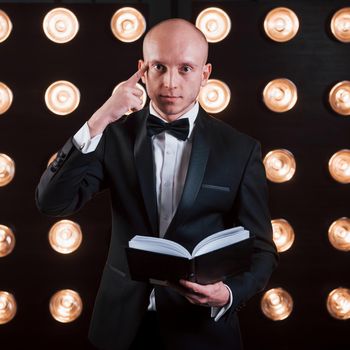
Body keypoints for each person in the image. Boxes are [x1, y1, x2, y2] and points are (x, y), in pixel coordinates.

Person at [36, 18, 278, 350]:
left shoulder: (240, 149)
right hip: (120, 328)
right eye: (159, 67)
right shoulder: (113, 136)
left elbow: (263, 250)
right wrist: (101, 118)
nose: (170, 83)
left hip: (201, 332)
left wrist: (229, 293)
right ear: (142, 69)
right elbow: (51, 202)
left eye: (185, 69)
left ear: (205, 74)